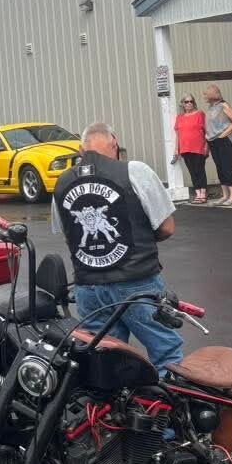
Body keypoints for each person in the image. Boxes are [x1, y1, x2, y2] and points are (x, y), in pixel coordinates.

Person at [54, 122, 182, 371]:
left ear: (81, 150)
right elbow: (167, 227)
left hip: (88, 287)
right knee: (166, 351)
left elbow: (69, 233)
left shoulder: (62, 181)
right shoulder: (135, 171)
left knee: (106, 359)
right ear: (114, 143)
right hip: (135, 283)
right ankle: (170, 396)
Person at [204, 85, 232, 206]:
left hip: (223, 140)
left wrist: (224, 134)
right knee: (219, 168)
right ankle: (225, 195)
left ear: (213, 94)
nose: (205, 96)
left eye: (207, 93)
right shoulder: (211, 107)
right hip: (213, 140)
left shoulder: (223, 105)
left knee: (226, 167)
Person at [172, 96, 209, 204]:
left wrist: (207, 146)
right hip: (185, 148)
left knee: (200, 170)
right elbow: (178, 135)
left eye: (191, 101)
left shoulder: (200, 114)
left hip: (198, 147)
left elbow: (207, 131)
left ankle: (203, 193)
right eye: (186, 101)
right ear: (183, 104)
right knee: (192, 171)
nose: (189, 103)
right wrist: (176, 149)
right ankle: (198, 193)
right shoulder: (179, 117)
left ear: (194, 103)